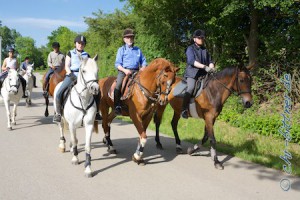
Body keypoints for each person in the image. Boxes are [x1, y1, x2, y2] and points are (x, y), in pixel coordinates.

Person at [53, 35, 102, 123]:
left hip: (84, 77)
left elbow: (90, 67)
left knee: (97, 92)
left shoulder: (86, 55)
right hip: (72, 75)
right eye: (79, 43)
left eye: (82, 43)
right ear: (75, 44)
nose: (80, 45)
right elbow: (67, 66)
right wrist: (70, 74)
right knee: (59, 92)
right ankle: (58, 114)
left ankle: (97, 112)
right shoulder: (70, 53)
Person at [181, 29, 215, 119]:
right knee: (191, 87)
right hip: (192, 73)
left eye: (202, 38)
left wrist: (211, 66)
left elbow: (210, 61)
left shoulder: (205, 50)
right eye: (199, 38)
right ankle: (184, 109)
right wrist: (204, 67)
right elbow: (191, 61)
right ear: (194, 39)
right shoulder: (190, 48)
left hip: (204, 74)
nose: (201, 39)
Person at [114, 28, 147, 115]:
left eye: (131, 38)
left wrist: (143, 67)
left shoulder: (138, 50)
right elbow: (117, 64)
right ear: (124, 39)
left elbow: (143, 61)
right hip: (124, 71)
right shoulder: (121, 50)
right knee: (118, 85)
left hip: (136, 71)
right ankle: (117, 105)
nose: (130, 39)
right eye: (128, 38)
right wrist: (125, 70)